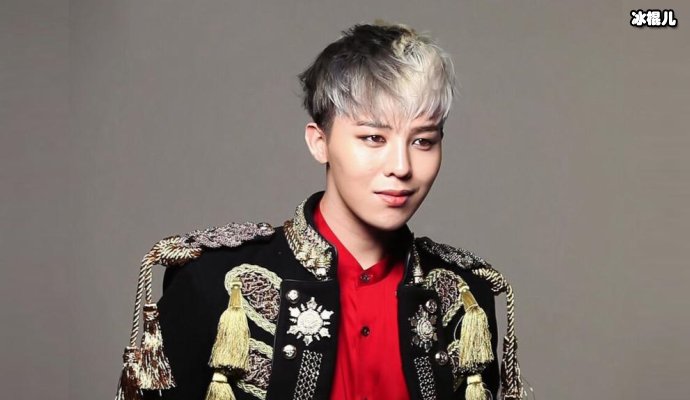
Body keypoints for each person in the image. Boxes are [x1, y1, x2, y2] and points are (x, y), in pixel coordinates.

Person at [114, 21, 525, 400]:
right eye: (373, 138)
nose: (401, 167)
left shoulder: (464, 295)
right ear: (319, 142)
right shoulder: (213, 281)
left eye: (423, 141)